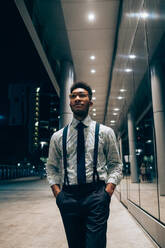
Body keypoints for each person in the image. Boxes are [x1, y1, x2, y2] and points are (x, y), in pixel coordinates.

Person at [46, 81, 123, 248]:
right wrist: (58, 194)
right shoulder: (58, 136)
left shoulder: (105, 132)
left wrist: (107, 192)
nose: (77, 99)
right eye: (73, 96)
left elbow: (115, 165)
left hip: (96, 195)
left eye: (82, 95)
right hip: (68, 197)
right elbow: (51, 166)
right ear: (70, 102)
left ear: (90, 102)